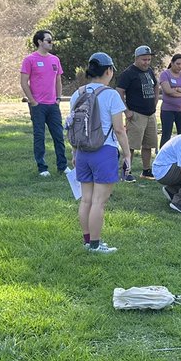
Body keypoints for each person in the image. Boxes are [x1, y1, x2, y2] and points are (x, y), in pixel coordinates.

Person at [67, 52, 131, 253]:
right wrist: (127, 154)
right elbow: (119, 129)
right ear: (109, 70)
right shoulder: (111, 94)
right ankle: (95, 244)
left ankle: (87, 241)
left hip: (83, 152)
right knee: (98, 202)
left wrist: (74, 152)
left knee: (86, 199)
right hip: (104, 151)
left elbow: (74, 125)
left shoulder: (78, 93)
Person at [20, 29, 67, 178]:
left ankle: (63, 166)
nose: (51, 42)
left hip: (53, 105)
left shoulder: (55, 60)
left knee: (59, 135)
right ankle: (42, 167)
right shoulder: (30, 59)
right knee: (39, 136)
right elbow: (23, 82)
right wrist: (32, 101)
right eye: (48, 40)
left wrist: (58, 98)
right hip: (38, 105)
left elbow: (58, 80)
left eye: (52, 40)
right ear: (39, 42)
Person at [116, 44, 158, 180]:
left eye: (148, 60)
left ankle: (146, 170)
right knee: (131, 145)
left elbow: (156, 85)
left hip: (150, 114)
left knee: (148, 144)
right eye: (144, 60)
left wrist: (155, 102)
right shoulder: (128, 73)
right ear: (137, 58)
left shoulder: (149, 71)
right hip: (136, 114)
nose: (147, 62)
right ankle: (126, 172)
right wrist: (126, 111)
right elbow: (119, 92)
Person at [159, 53, 181, 145]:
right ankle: (163, 156)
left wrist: (177, 89)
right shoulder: (165, 74)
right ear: (172, 63)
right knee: (166, 135)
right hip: (167, 110)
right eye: (178, 64)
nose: (180, 66)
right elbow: (168, 91)